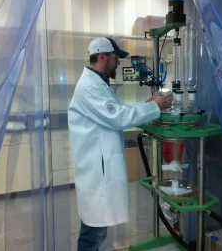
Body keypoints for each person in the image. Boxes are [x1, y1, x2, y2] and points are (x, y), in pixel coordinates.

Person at [68, 37, 172, 250]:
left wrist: (146, 104)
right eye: (115, 58)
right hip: (97, 170)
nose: (118, 63)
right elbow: (117, 117)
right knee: (93, 233)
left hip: (98, 165)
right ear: (103, 56)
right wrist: (155, 108)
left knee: (95, 226)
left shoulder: (97, 82)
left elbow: (114, 109)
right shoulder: (89, 87)